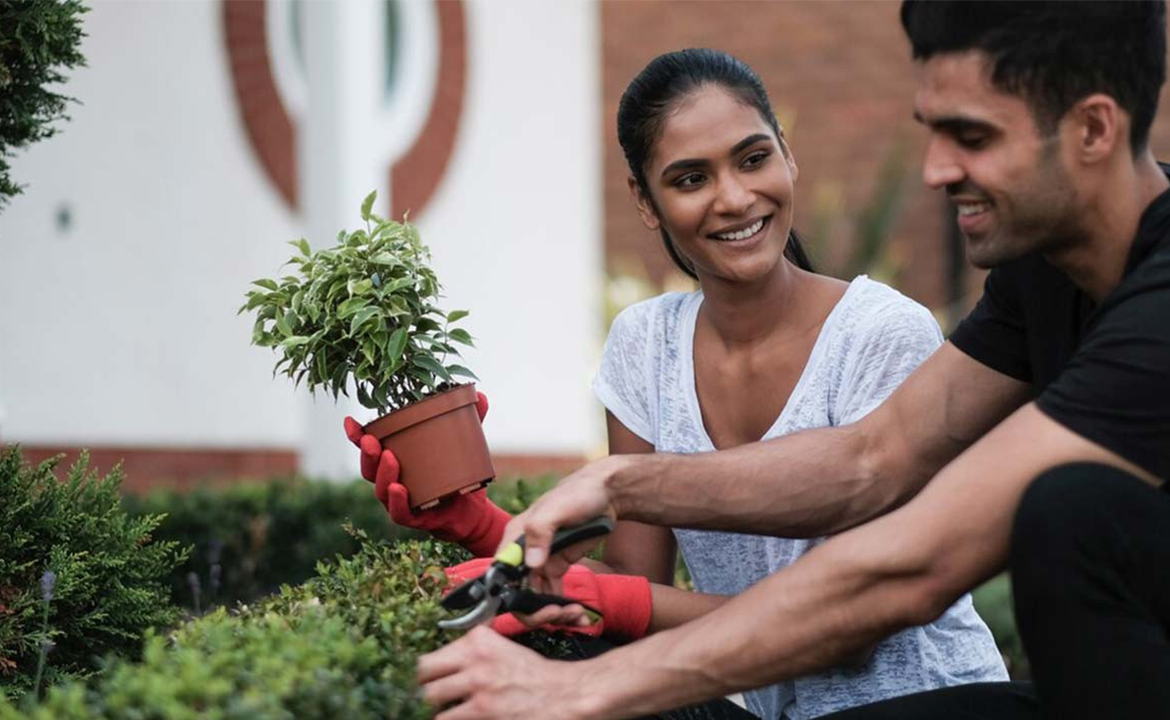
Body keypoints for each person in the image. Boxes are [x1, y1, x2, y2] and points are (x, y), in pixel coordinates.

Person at [413, 1, 1170, 719]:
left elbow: (912, 565)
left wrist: (583, 691)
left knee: (1065, 512)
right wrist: (602, 488)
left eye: (971, 138)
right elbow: (870, 460)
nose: (935, 170)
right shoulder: (1040, 278)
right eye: (933, 132)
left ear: (1094, 130)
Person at [348, 46, 1006, 719]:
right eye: (691, 179)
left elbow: (856, 627)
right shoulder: (646, 346)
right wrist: (483, 526)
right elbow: (633, 589)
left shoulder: (879, 335)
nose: (734, 197)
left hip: (927, 701)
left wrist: (615, 602)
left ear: (788, 155)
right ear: (646, 201)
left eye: (754, 158)